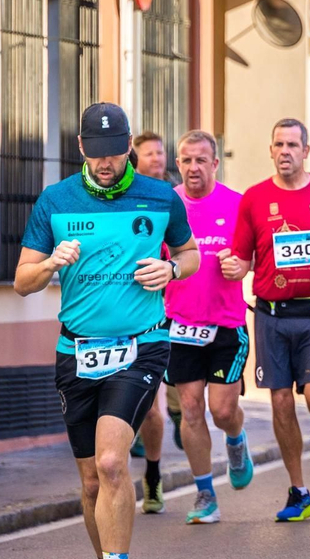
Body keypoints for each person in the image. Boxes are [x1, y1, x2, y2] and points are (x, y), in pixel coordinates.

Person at [15, 104, 197, 559]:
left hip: (141, 346)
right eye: (97, 153)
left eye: (115, 152)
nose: (106, 163)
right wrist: (51, 263)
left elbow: (190, 254)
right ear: (80, 147)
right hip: (75, 351)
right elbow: (21, 282)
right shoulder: (56, 201)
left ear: (128, 147)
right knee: (92, 480)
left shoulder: (160, 197)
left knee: (113, 462)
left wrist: (171, 268)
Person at [230, 118, 310, 523]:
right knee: (280, 401)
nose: (285, 151)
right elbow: (242, 257)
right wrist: (233, 267)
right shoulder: (254, 198)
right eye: (278, 144)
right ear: (271, 151)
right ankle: (299, 491)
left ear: (306, 151)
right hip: (271, 315)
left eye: (292, 144)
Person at [160, 131, 253, 524]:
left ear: (215, 164)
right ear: (177, 164)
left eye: (201, 160)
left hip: (226, 326)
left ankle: (236, 439)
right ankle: (204, 495)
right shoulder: (167, 206)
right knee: (192, 410)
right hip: (178, 326)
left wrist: (242, 265)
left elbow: (258, 258)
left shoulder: (237, 205)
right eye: (185, 160)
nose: (193, 167)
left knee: (222, 409)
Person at [128, 131, 174, 509]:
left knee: (158, 404)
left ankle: (154, 473)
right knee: (149, 406)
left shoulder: (172, 198)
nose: (158, 158)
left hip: (171, 312)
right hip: (129, 315)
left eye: (161, 152)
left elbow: (189, 249)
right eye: (149, 153)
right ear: (135, 158)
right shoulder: (126, 201)